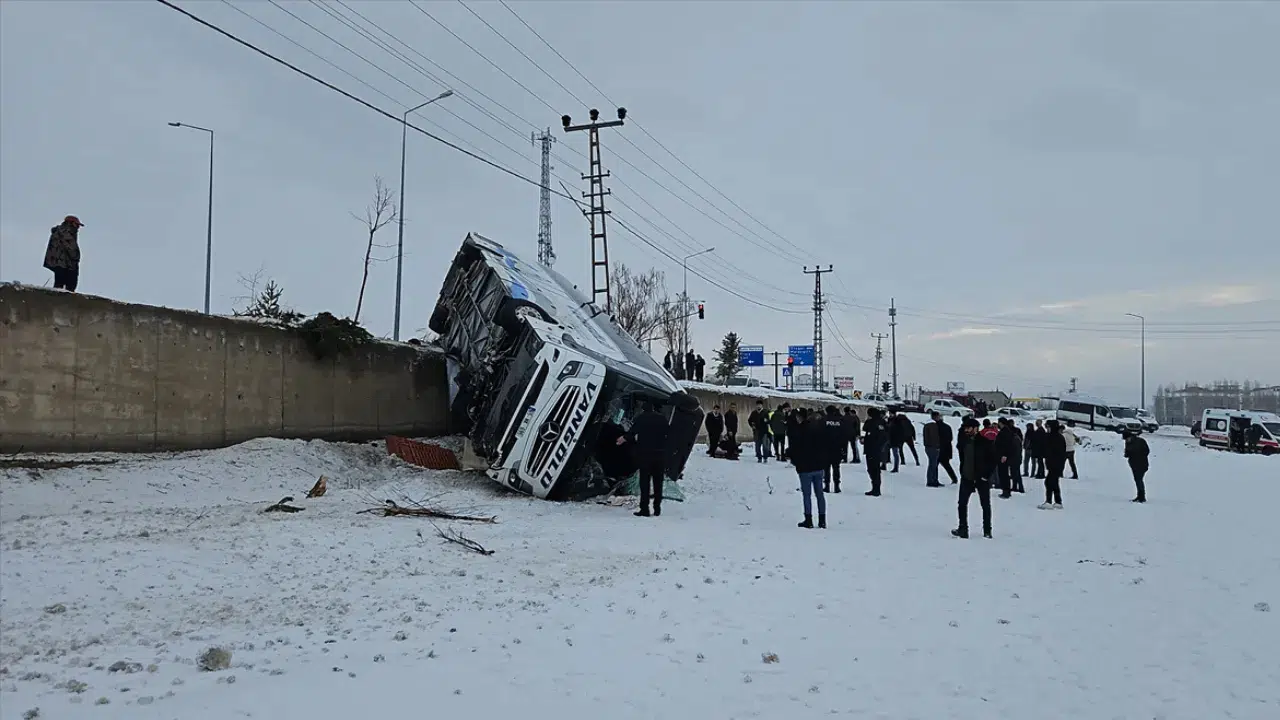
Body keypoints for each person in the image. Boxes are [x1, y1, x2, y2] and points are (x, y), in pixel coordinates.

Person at [617, 400, 669, 517]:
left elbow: (632, 433)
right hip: (660, 455)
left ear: (643, 409)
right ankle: (657, 508)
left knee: (644, 483)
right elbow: (669, 434)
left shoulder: (641, 418)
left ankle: (644, 509)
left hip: (645, 455)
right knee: (658, 483)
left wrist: (623, 438)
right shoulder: (662, 419)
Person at [953, 417, 995, 539]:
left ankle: (987, 530)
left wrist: (985, 476)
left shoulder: (985, 442)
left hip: (981, 479)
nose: (966, 430)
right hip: (967, 477)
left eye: (968, 428)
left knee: (985, 505)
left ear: (976, 429)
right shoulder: (964, 442)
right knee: (962, 504)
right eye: (965, 428)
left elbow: (993, 461)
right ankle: (963, 529)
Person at [788, 408, 827, 529]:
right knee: (820, 494)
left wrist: (794, 460)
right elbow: (823, 446)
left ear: (799, 417)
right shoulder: (817, 428)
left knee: (807, 495)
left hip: (805, 468)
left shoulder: (797, 431)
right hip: (818, 466)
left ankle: (808, 519)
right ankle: (822, 520)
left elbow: (794, 449)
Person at [44, 215, 84, 292]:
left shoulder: (59, 231)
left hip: (59, 263)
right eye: (77, 225)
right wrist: (76, 257)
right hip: (65, 263)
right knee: (69, 286)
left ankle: (57, 300)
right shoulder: (66, 232)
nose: (78, 228)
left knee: (59, 285)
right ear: (71, 223)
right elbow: (72, 249)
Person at [862, 407, 890, 496]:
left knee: (872, 469)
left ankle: (876, 488)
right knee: (875, 469)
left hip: (871, 449)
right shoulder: (882, 422)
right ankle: (876, 488)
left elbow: (865, 429)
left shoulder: (871, 422)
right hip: (877, 449)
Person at [1040, 419, 1067, 509]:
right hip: (1056, 464)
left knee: (1048, 482)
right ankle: (1058, 501)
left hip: (1055, 464)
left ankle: (1048, 501)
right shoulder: (1057, 437)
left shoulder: (1054, 438)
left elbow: (1052, 451)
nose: (1047, 429)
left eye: (1048, 427)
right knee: (1054, 482)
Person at [821, 406, 845, 493]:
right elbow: (843, 434)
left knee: (826, 468)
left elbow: (820, 433)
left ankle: (827, 485)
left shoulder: (823, 420)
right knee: (836, 468)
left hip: (826, 448)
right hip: (837, 448)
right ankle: (837, 486)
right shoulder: (840, 421)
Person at [995, 418, 1020, 498]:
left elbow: (1007, 445)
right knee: (1003, 474)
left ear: (1001, 423)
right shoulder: (1006, 431)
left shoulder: (1005, 432)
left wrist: (1004, 455)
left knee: (1004, 474)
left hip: (1003, 457)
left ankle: (1006, 491)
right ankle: (1005, 490)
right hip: (1002, 455)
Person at [1123, 430, 1150, 503]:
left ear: (1131, 437)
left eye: (1127, 439)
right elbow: (1127, 453)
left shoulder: (1140, 441)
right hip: (1134, 464)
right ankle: (1139, 496)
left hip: (1142, 464)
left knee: (1139, 480)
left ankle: (1142, 497)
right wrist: (1127, 453)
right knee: (1137, 480)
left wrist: (1138, 455)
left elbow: (1146, 451)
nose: (1126, 440)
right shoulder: (1128, 443)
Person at [922, 411, 946, 487]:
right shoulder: (933, 425)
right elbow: (934, 437)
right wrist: (937, 446)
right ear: (935, 417)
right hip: (933, 447)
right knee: (933, 465)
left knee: (933, 464)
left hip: (928, 447)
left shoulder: (927, 424)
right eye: (938, 416)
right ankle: (931, 481)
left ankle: (934, 480)